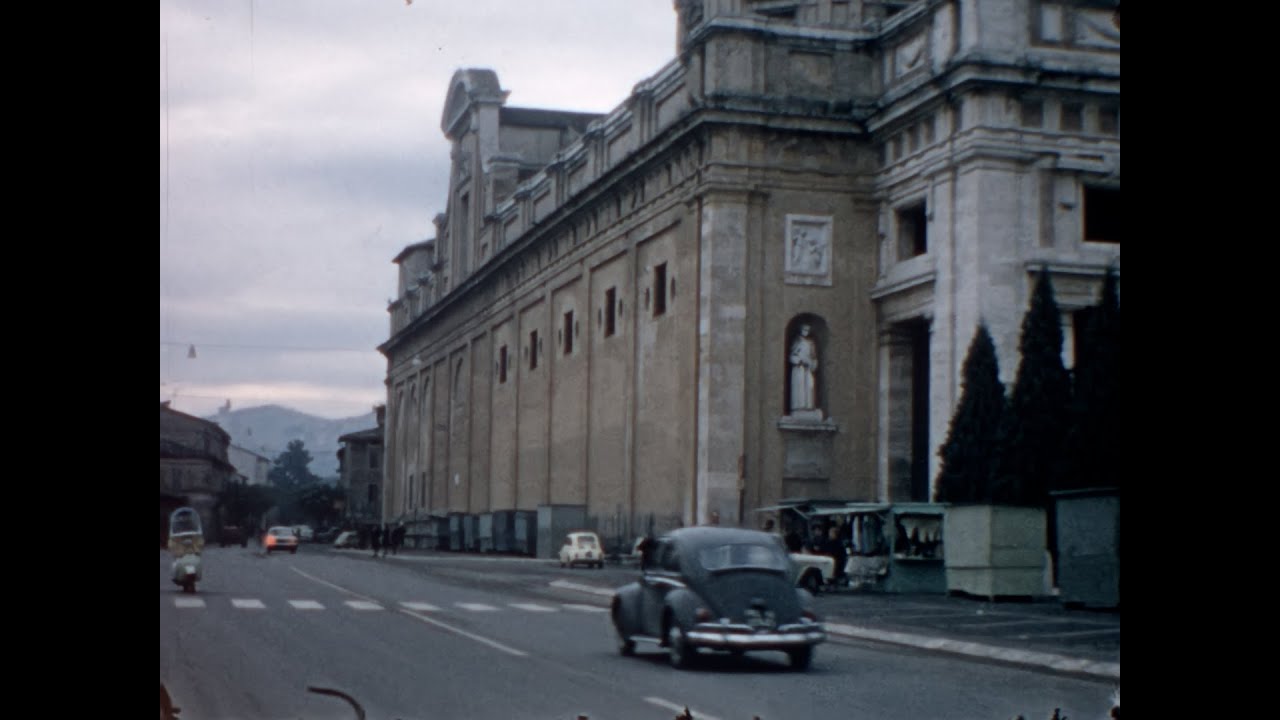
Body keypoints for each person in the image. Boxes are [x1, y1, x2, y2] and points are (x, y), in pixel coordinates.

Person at [789, 324, 818, 412]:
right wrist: (799, 360)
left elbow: (814, 357)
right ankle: (799, 407)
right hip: (799, 369)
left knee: (809, 387)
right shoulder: (797, 341)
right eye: (804, 329)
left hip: (808, 369)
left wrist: (812, 363)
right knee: (799, 387)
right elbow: (791, 356)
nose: (806, 331)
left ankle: (809, 407)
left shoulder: (811, 343)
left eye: (807, 330)